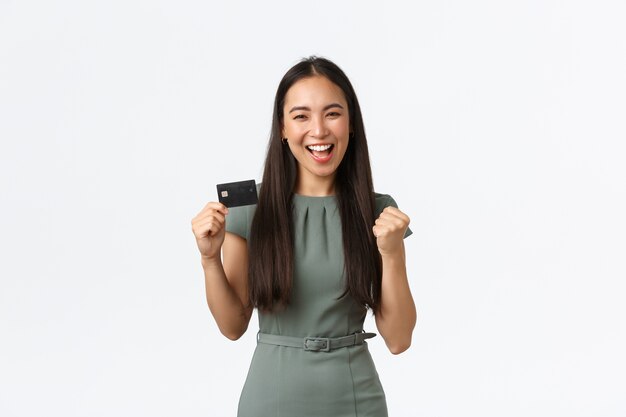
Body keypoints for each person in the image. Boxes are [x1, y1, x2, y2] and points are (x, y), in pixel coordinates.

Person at [191, 56, 416, 417]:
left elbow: (399, 339)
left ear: (352, 123)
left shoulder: (379, 211)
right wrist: (208, 260)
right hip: (271, 399)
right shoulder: (252, 207)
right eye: (301, 116)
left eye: (332, 113)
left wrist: (391, 254)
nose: (318, 130)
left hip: (356, 400)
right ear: (282, 127)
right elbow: (233, 327)